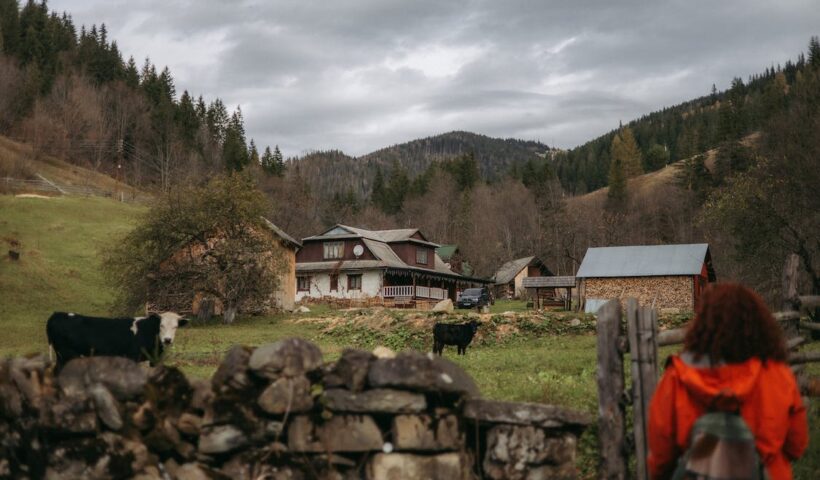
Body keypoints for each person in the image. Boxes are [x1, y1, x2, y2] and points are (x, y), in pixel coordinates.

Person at [648, 283, 808, 480]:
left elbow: (661, 456)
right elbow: (796, 445)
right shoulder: (777, 375)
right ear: (759, 324)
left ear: (702, 324)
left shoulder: (677, 377)